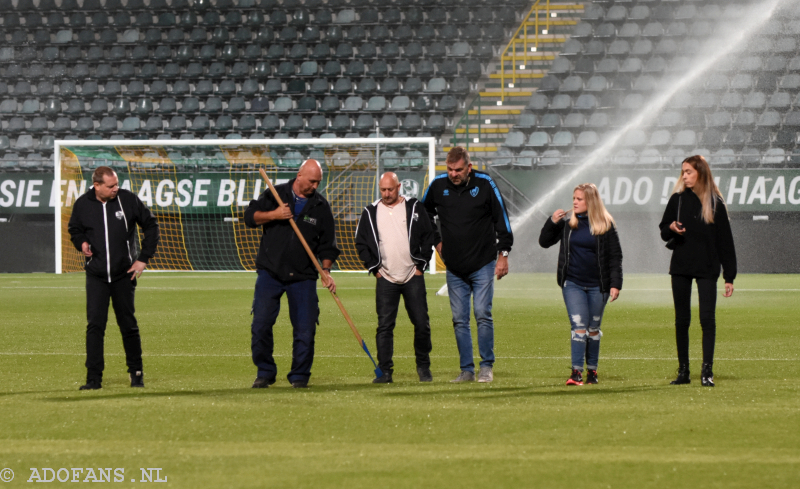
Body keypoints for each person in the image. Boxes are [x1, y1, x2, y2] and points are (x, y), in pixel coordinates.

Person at [244, 159, 340, 389]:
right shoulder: (275, 194)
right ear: (299, 175)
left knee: (305, 329)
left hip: (304, 276)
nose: (315, 186)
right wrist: (275, 214)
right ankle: (265, 372)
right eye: (312, 181)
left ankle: (299, 377)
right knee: (261, 325)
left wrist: (326, 270)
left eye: (318, 182)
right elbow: (250, 217)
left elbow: (328, 245)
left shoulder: (320, 206)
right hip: (271, 273)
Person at [422, 146, 513, 383]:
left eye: (459, 169)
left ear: (469, 167)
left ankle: (486, 366)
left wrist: (503, 253)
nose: (454, 174)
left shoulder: (484, 183)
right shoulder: (438, 185)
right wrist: (436, 241)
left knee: (482, 313)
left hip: (483, 262)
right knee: (459, 319)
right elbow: (423, 213)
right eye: (450, 169)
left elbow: (501, 217)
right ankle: (466, 370)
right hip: (454, 267)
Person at [68, 166, 160, 390]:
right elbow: (74, 229)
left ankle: (136, 373)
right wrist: (81, 243)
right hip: (96, 276)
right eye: (110, 186)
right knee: (95, 327)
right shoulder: (82, 204)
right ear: (97, 185)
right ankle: (93, 378)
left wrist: (143, 258)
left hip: (123, 275)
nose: (115, 189)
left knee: (128, 325)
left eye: (116, 184)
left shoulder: (128, 200)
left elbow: (151, 225)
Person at [659, 155, 736, 387]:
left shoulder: (716, 203)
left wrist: (729, 276)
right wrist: (671, 227)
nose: (684, 176)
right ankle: (683, 372)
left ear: (700, 173)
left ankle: (706, 373)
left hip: (707, 268)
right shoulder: (677, 199)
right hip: (681, 266)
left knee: (707, 320)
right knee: (682, 321)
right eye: (683, 171)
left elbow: (726, 242)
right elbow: (663, 229)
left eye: (689, 172)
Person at [539, 183, 623, 386]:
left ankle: (592, 372)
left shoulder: (606, 225)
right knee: (578, 327)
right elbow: (544, 241)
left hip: (598, 286)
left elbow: (615, 257)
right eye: (574, 199)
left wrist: (615, 283)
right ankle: (576, 372)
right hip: (573, 283)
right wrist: (552, 221)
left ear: (591, 202)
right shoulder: (568, 224)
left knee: (593, 328)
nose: (575, 202)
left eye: (579, 199)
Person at [355, 172, 435, 384]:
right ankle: (385, 371)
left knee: (421, 323)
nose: (387, 193)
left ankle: (423, 366)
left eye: (390, 189)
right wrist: (376, 269)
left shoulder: (415, 207)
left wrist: (421, 266)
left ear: (399, 186)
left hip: (412, 275)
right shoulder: (370, 212)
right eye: (383, 190)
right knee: (384, 326)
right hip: (386, 278)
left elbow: (429, 236)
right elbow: (361, 243)